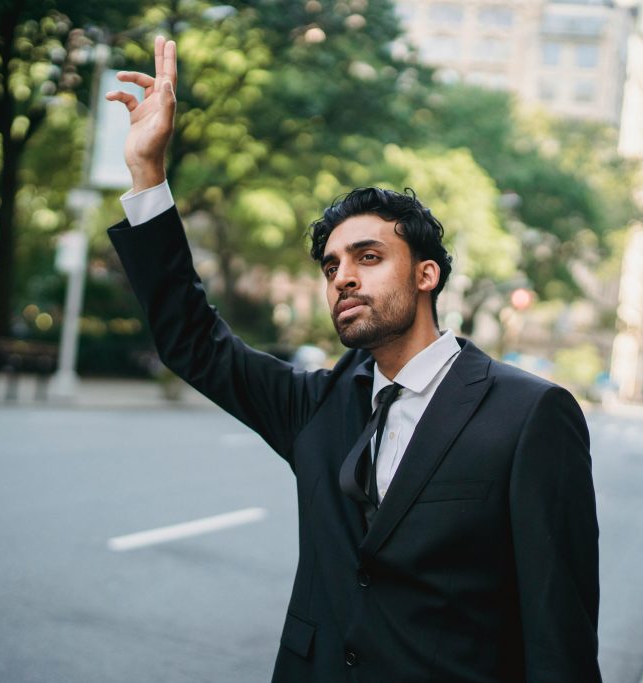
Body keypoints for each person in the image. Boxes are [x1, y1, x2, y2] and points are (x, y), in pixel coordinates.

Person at [105, 36, 601, 683]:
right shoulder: (316, 408)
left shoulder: (530, 414)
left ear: (426, 275)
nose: (342, 276)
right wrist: (148, 176)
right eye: (332, 264)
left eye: (369, 257)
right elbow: (192, 339)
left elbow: (557, 626)